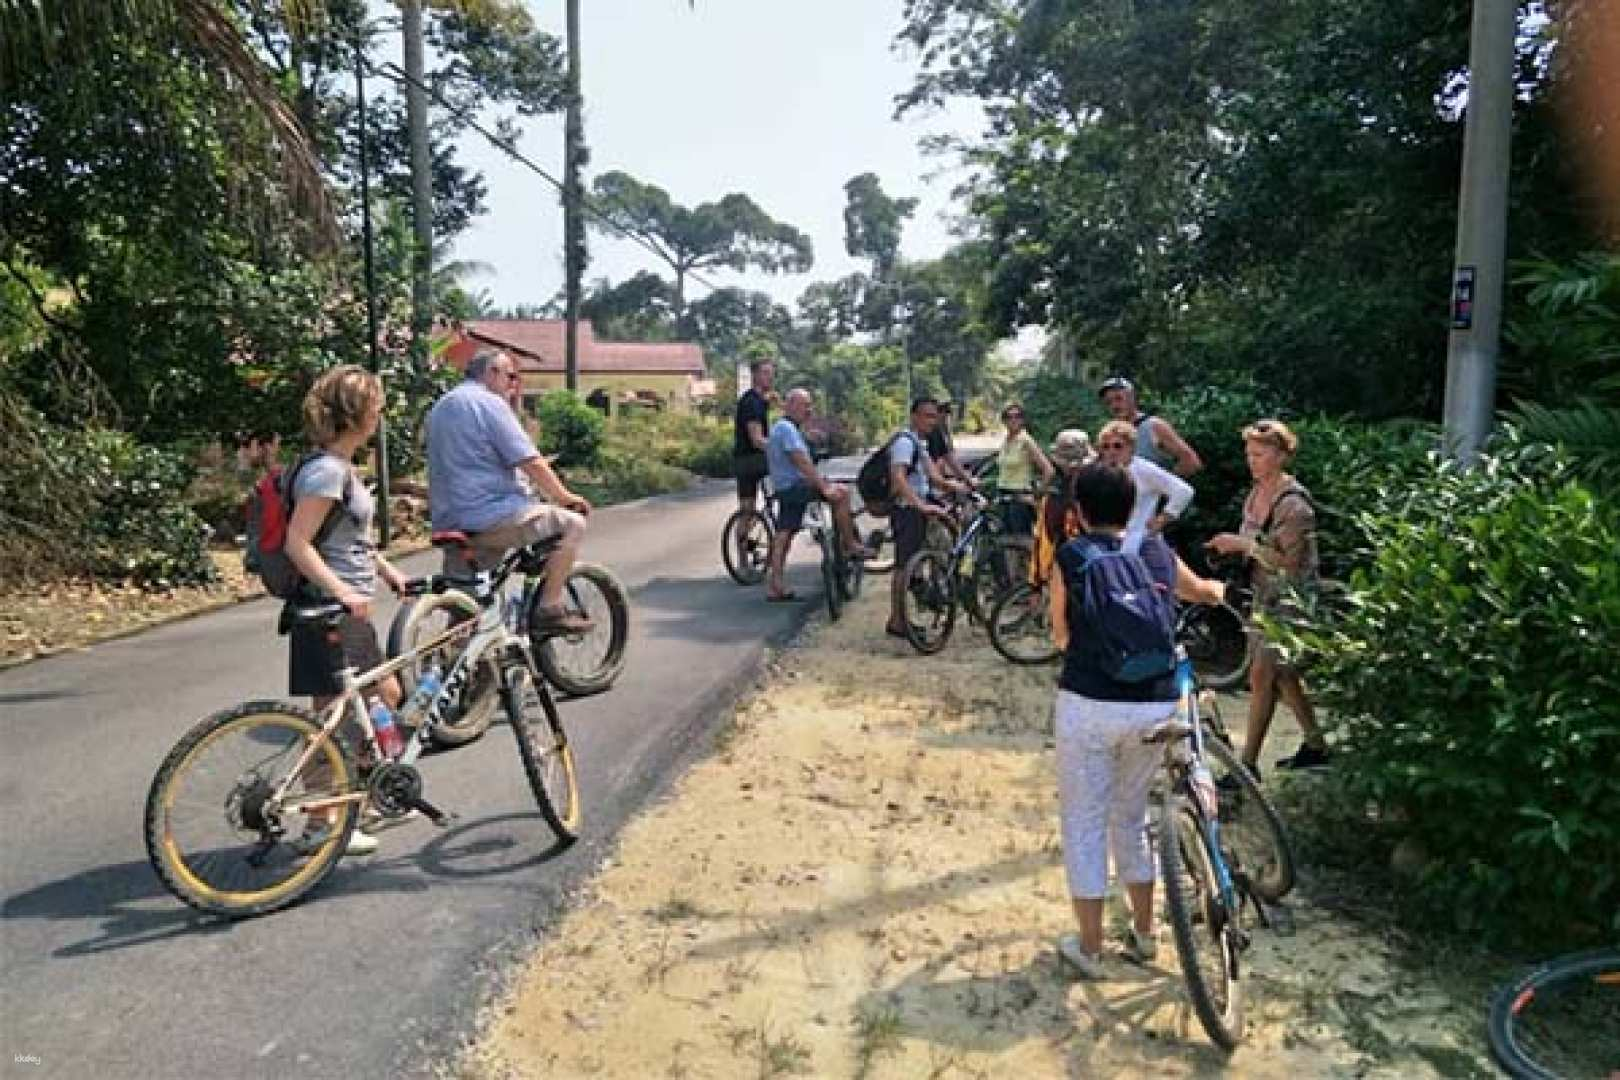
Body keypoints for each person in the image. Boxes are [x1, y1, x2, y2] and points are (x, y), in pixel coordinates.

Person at [1047, 462, 1177, 978]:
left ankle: (1091, 947)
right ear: (1132, 506)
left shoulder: (1073, 555)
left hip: (1090, 702)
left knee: (1085, 821)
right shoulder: (1155, 550)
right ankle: (1146, 935)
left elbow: (1059, 634)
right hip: (1156, 700)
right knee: (1132, 815)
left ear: (1078, 511)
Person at [283, 365, 408, 857]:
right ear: (356, 414)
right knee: (335, 717)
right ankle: (321, 823)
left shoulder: (339, 468)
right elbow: (299, 543)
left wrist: (384, 569)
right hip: (328, 612)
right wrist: (343, 594)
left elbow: (347, 536)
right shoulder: (326, 472)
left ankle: (353, 797)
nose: (381, 414)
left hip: (346, 610)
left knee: (382, 697)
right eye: (375, 405)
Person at [426, 349, 593, 634]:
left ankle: (455, 668)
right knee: (572, 525)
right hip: (490, 515)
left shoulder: (440, 407)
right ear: (491, 373)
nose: (513, 385)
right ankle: (549, 608)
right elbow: (529, 460)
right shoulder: (489, 403)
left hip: (449, 520)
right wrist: (565, 497)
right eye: (511, 376)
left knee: (468, 607)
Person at [1206, 419, 1329, 776]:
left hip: (1291, 601)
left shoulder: (1294, 505)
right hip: (1263, 596)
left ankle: (1245, 768)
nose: (1252, 461)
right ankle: (1317, 745)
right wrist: (1228, 548)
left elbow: (1290, 564)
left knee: (1263, 675)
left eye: (1259, 454)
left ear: (1280, 455)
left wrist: (1243, 545)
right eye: (1249, 454)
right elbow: (1255, 545)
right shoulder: (1256, 492)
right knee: (1283, 675)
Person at [761, 389, 871, 602]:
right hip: (795, 486)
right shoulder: (786, 430)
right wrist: (823, 487)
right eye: (805, 405)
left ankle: (776, 584)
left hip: (785, 487)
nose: (809, 410)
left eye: (810, 405)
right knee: (841, 494)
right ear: (791, 405)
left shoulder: (784, 428)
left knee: (784, 533)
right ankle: (850, 545)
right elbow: (801, 461)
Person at [885, 397, 964, 638]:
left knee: (925, 555)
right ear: (914, 417)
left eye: (934, 416)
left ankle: (921, 598)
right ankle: (897, 620)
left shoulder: (921, 444)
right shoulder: (904, 443)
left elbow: (935, 477)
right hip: (907, 510)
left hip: (919, 508)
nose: (932, 421)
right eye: (927, 416)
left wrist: (963, 485)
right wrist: (920, 504)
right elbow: (898, 478)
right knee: (903, 566)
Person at [1096, 419, 1195, 555]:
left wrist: (1162, 520)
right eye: (1106, 447)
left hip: (1142, 545)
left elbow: (1183, 491)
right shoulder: (1101, 473)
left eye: (1118, 446)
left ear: (1130, 447)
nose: (1112, 451)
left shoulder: (1144, 469)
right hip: (1113, 545)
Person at [1097, 376, 1202, 478]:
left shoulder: (1154, 426)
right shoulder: (1109, 434)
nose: (1114, 406)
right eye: (1109, 402)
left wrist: (1164, 486)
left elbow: (1191, 461)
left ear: (1131, 397)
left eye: (1119, 398)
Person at [996, 403, 1054, 535]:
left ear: (1023, 420)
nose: (1013, 420)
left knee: (1020, 542)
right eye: (1009, 417)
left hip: (1020, 497)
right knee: (1006, 542)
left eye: (1017, 416)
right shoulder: (1006, 441)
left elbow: (1048, 470)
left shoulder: (1026, 440)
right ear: (1004, 420)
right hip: (1004, 495)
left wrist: (1036, 495)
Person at [733, 358, 774, 512]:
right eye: (765, 373)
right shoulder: (752, 402)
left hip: (751, 460)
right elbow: (757, 440)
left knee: (748, 511)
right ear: (755, 375)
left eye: (771, 373)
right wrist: (780, 448)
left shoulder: (760, 401)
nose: (770, 377)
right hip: (749, 461)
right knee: (747, 510)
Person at [927, 401, 976, 488]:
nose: (946, 417)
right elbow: (941, 460)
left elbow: (949, 456)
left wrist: (964, 477)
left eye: (947, 414)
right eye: (943, 413)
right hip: (929, 479)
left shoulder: (942, 431)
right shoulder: (933, 431)